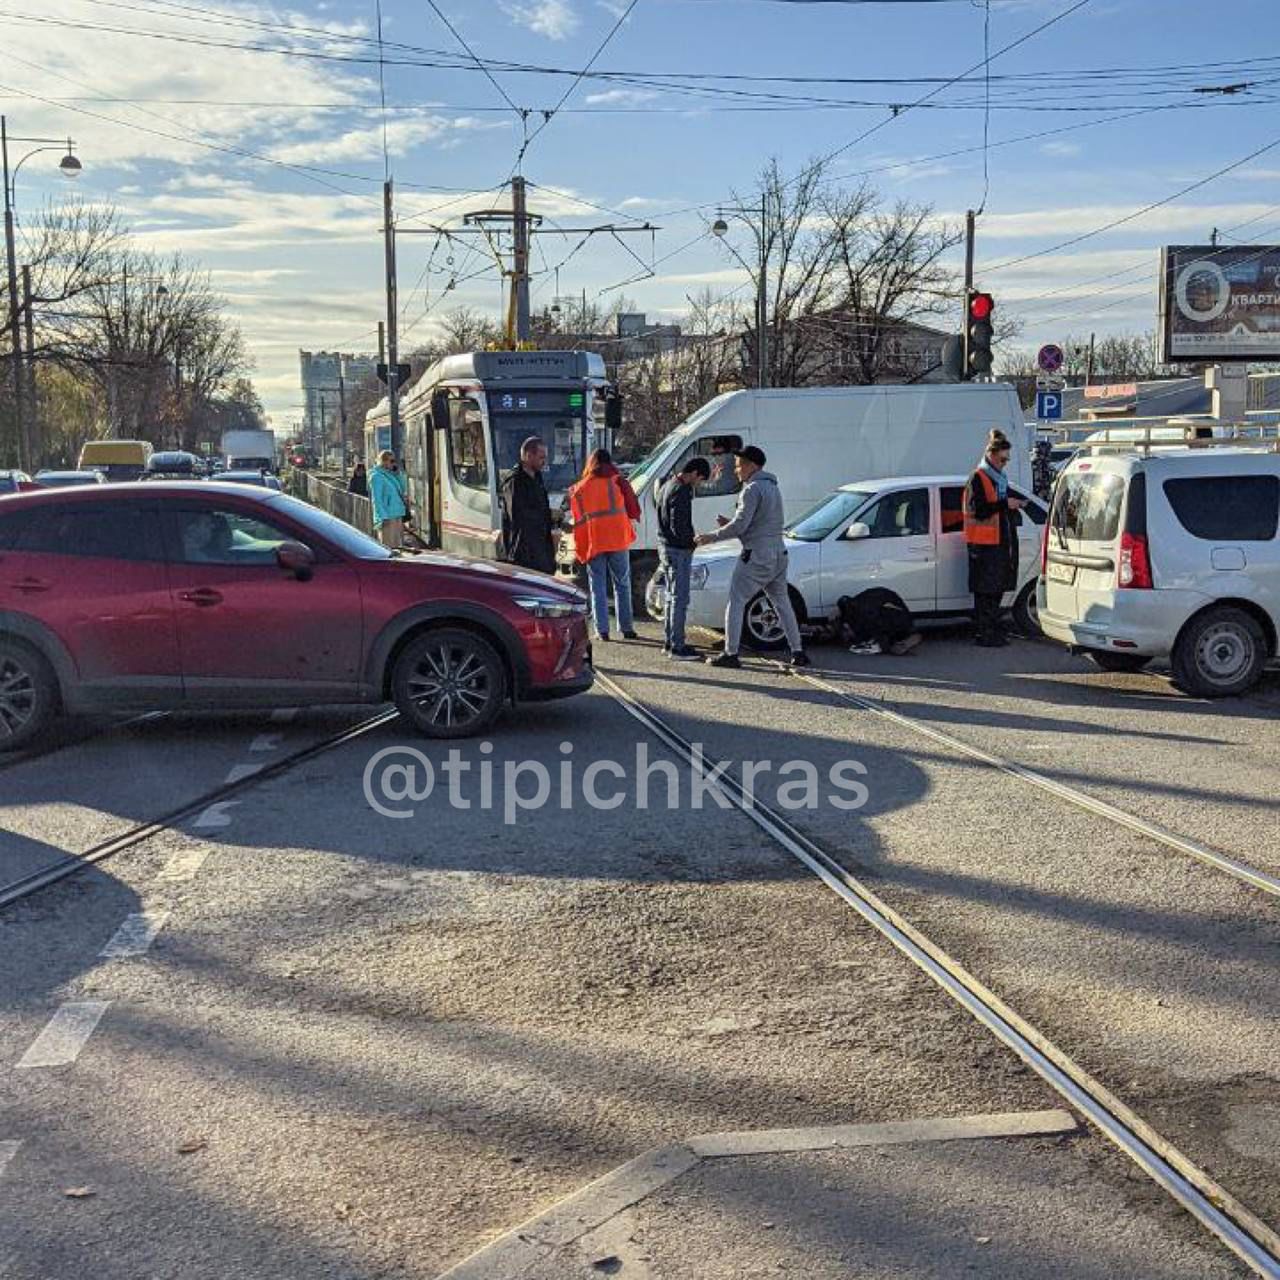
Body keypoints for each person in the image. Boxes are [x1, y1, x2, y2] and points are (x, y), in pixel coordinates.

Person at [694, 445, 809, 669]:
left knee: (736, 601)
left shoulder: (752, 489)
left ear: (752, 466)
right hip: (778, 552)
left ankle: (731, 653)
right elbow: (758, 523)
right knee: (782, 603)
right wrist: (731, 524)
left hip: (756, 555)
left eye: (739, 466)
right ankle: (798, 651)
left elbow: (741, 525)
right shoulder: (773, 488)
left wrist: (711, 536)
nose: (737, 471)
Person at [569, 448, 641, 642]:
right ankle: (626, 628)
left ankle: (602, 631)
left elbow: (577, 521)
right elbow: (634, 510)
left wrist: (580, 548)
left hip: (595, 541)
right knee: (622, 584)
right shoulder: (618, 480)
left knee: (597, 586)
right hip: (618, 538)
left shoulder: (579, 488)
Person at [965, 428, 1024, 648]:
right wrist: (1004, 504)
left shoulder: (999, 479)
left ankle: (991, 631)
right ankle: (984, 633)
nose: (1004, 463)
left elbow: (996, 508)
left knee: (995, 589)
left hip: (997, 541)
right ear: (991, 455)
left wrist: (1013, 505)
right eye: (1002, 459)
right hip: (983, 545)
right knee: (985, 592)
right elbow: (978, 510)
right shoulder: (978, 478)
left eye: (1007, 460)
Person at [657, 456, 711, 659]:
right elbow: (678, 524)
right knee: (680, 599)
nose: (699, 484)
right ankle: (678, 646)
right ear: (695, 473)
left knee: (671, 597)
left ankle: (669, 641)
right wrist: (692, 542)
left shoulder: (666, 485)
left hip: (665, 547)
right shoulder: (682, 491)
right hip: (678, 550)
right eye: (700, 479)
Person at [500, 436, 557, 574]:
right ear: (528, 455)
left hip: (541, 549)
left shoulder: (537, 478)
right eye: (541, 457)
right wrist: (547, 515)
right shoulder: (514, 482)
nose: (544, 462)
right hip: (523, 552)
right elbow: (518, 516)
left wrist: (553, 517)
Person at [836, 590, 922, 657]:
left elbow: (877, 627)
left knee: (891, 642)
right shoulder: (855, 607)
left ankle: (906, 640)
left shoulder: (864, 612)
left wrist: (885, 645)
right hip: (892, 608)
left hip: (898, 617)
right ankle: (906, 637)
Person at [369, 449, 408, 549]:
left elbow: (403, 488)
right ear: (383, 461)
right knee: (389, 547)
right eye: (391, 461)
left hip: (397, 514)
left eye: (394, 461)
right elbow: (377, 500)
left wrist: (398, 474)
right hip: (387, 517)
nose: (393, 464)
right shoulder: (376, 476)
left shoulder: (391, 475)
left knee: (398, 547)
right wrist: (382, 516)